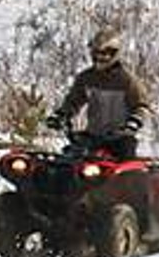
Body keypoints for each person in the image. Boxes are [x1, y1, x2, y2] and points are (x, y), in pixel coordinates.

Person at [45, 29, 152, 160]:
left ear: (115, 54)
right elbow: (73, 101)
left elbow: (142, 106)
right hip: (93, 137)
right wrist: (61, 115)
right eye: (97, 52)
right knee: (69, 161)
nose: (101, 57)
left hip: (120, 140)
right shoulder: (86, 78)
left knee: (125, 172)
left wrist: (133, 122)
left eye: (106, 53)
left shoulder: (127, 80)